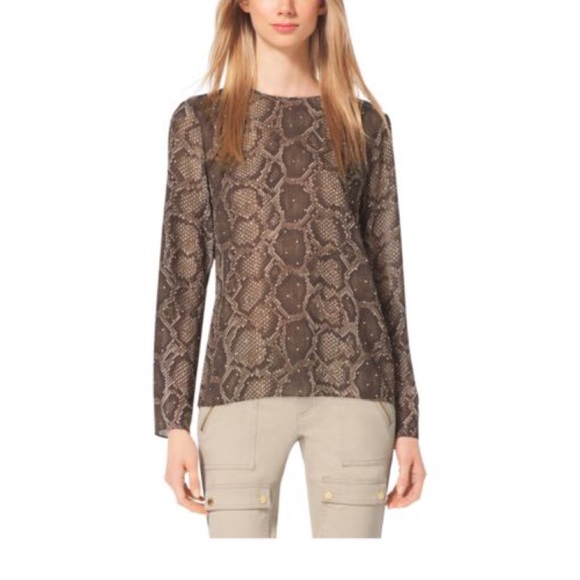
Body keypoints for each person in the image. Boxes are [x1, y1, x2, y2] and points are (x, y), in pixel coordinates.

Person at [153, 0, 426, 538]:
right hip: (239, 385)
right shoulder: (200, 122)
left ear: (324, 7)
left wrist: (409, 422)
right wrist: (173, 421)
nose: (285, 6)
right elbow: (182, 272)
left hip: (355, 383)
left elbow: (388, 274)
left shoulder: (365, 124)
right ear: (242, 4)